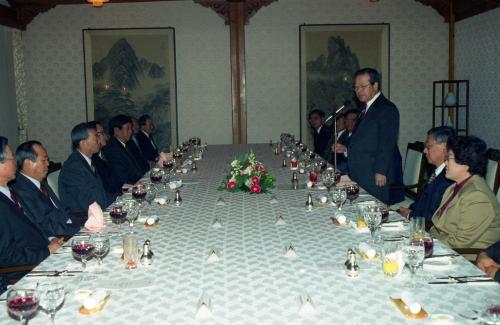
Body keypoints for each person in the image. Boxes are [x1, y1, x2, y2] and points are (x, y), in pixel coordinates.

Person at [335, 68, 404, 204]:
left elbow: (387, 142)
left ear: (375, 85)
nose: (358, 91)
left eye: (362, 87)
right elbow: (365, 140)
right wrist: (346, 149)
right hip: (361, 172)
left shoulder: (387, 108)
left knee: (374, 212)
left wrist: (381, 171)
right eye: (356, 87)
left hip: (374, 175)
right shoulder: (365, 108)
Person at [0, 136, 62, 270]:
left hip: (43, 255)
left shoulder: (10, 191)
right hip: (24, 271)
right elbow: (6, 257)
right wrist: (46, 251)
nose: (16, 162)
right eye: (12, 158)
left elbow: (34, 224)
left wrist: (50, 239)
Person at [429, 136, 500, 249]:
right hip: (446, 246)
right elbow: (438, 226)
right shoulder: (454, 187)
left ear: (466, 162)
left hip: (467, 257)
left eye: (449, 158)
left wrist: (428, 244)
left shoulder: (477, 196)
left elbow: (460, 242)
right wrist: (424, 239)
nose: (445, 163)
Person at [12, 141, 81, 236]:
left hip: (68, 228)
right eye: (43, 160)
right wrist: (79, 229)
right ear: (28, 163)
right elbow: (45, 225)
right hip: (58, 236)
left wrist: (83, 222)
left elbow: (63, 211)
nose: (48, 164)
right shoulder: (20, 191)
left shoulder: (42, 183)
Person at [398, 126, 455, 228]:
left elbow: (434, 215)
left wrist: (410, 215)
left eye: (428, 147)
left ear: (444, 147)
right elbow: (422, 200)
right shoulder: (436, 171)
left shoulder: (449, 179)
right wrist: (410, 210)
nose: (424, 151)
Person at [59, 122, 116, 215]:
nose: (99, 140)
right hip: (84, 218)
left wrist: (120, 198)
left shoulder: (87, 161)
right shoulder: (73, 168)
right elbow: (87, 203)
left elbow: (100, 194)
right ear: (83, 143)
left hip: (97, 210)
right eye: (95, 137)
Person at [103, 115, 145, 187]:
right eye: (128, 128)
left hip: (137, 182)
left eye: (131, 128)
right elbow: (122, 177)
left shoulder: (126, 144)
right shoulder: (112, 149)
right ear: (116, 130)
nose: (131, 131)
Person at [89, 121, 123, 194]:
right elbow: (104, 186)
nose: (105, 136)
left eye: (103, 133)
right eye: (101, 133)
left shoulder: (106, 152)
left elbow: (115, 177)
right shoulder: (92, 159)